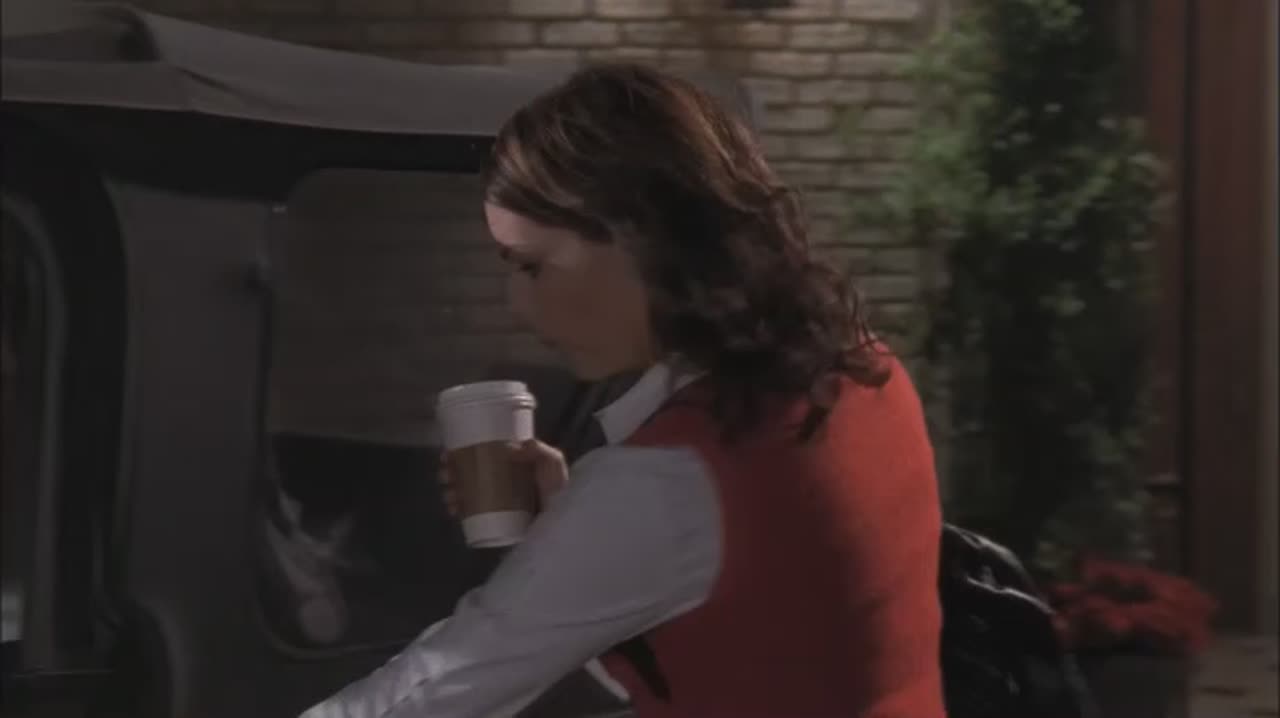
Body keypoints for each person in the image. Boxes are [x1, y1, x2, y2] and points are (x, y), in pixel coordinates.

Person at [300, 62, 945, 718]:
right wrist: (570, 528)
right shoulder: (864, 367)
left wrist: (590, 526)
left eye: (533, 266)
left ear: (638, 241)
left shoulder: (662, 482)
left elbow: (437, 689)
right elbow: (739, 615)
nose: (519, 306)